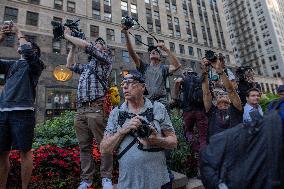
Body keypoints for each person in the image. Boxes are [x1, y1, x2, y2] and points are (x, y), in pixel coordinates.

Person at [100, 70, 178, 189]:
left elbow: (173, 142)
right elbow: (104, 149)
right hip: (128, 183)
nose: (125, 86)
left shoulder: (158, 108)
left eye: (130, 82)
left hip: (159, 182)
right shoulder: (116, 113)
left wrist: (155, 140)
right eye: (123, 83)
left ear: (143, 87)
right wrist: (122, 131)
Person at [64, 28, 113, 189]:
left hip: (96, 109)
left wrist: (67, 36)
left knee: (103, 144)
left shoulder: (105, 61)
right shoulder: (86, 67)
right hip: (81, 111)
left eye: (99, 44)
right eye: (96, 43)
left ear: (105, 50)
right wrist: (72, 45)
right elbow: (70, 65)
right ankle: (86, 180)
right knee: (84, 147)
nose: (96, 45)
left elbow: (88, 47)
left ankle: (106, 177)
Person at [200, 98, 284, 189]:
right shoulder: (214, 113)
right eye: (220, 104)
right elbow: (207, 158)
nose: (223, 105)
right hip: (224, 148)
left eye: (226, 104)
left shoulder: (233, 112)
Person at [0, 24, 44, 189]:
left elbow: (27, 51)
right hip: (3, 113)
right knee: (1, 154)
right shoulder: (11, 65)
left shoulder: (36, 65)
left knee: (25, 152)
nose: (22, 44)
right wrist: (1, 37)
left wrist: (19, 32)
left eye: (26, 44)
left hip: (23, 113)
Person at [122, 27, 181, 106]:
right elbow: (132, 53)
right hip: (146, 103)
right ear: (149, 56)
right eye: (151, 52)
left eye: (156, 51)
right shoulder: (144, 67)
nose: (153, 51)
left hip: (161, 103)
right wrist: (126, 34)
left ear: (160, 58)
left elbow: (177, 65)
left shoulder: (164, 68)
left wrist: (165, 49)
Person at [201, 57, 243, 138]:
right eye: (219, 94)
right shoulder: (212, 111)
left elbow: (231, 90)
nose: (222, 95)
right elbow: (206, 93)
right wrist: (205, 72)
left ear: (230, 99)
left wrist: (220, 71)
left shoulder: (236, 108)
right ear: (215, 99)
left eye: (225, 94)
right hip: (217, 148)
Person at [173, 67, 208, 163]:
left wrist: (175, 98)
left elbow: (176, 82)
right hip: (200, 111)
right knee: (203, 136)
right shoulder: (199, 78)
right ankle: (204, 158)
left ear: (185, 72)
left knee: (189, 131)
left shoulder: (184, 78)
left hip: (188, 111)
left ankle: (195, 151)